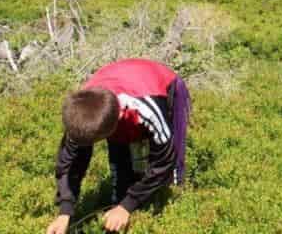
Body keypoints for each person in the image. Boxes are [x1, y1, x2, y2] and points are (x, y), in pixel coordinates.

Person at [45, 59, 191, 234]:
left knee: (168, 173)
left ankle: (162, 200)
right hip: (115, 88)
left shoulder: (147, 109)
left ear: (119, 117)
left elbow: (164, 160)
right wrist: (65, 211)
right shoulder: (82, 114)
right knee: (120, 160)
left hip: (159, 84)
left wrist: (127, 206)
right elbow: (69, 162)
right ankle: (122, 203)